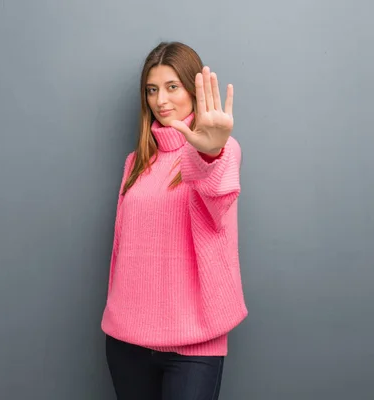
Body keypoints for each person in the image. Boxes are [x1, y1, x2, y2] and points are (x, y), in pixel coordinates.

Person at [100, 41, 248, 400]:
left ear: (194, 89)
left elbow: (216, 197)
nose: (161, 101)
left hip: (193, 347)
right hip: (127, 342)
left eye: (172, 87)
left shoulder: (220, 152)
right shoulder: (135, 162)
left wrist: (210, 151)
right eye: (152, 90)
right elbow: (122, 249)